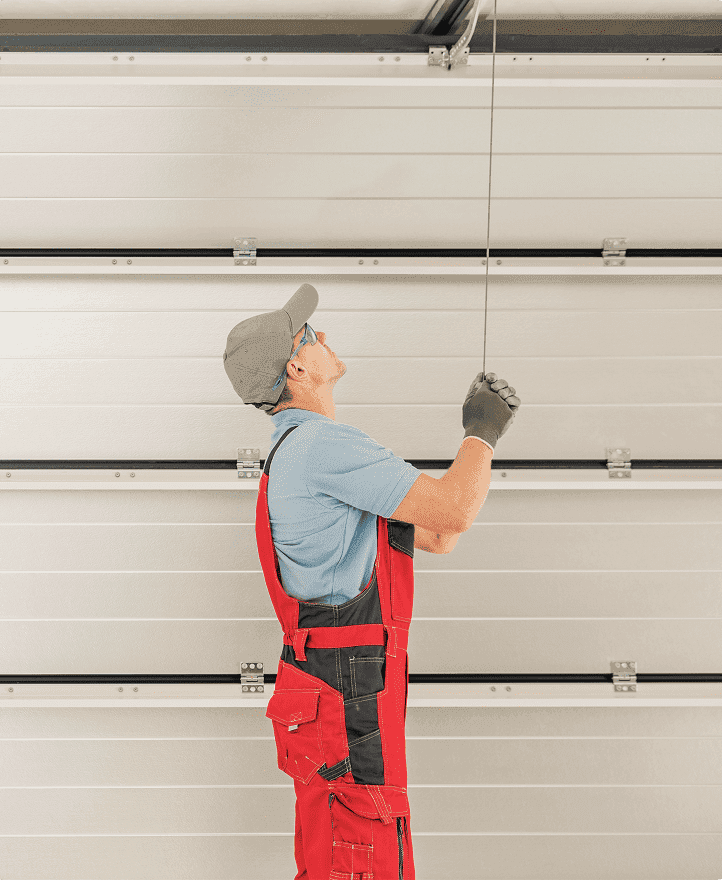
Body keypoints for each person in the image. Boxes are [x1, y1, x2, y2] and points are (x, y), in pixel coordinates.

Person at [223, 283, 520, 880]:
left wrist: (474, 454)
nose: (323, 337)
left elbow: (438, 534)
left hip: (332, 682)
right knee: (364, 845)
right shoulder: (322, 446)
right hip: (348, 683)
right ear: (296, 365)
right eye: (311, 335)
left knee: (338, 843)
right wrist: (480, 434)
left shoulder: (299, 452)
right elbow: (455, 512)